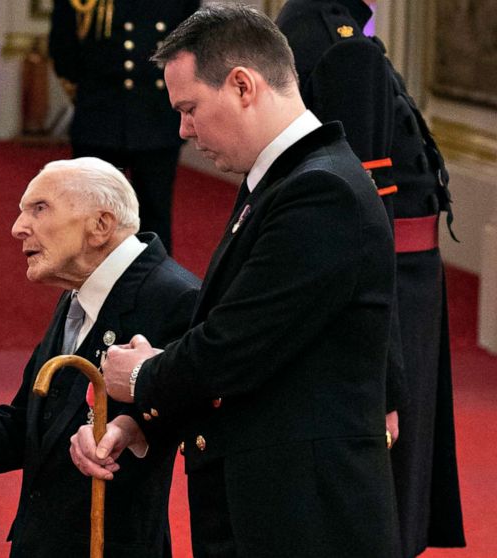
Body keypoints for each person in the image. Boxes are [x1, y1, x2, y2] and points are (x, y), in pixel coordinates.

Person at [70, 5, 402, 556]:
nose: (182, 129)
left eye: (190, 108)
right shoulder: (284, 178)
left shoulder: (322, 191)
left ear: (243, 85)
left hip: (307, 517)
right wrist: (144, 421)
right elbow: (248, 332)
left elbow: (238, 345)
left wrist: (146, 376)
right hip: (274, 500)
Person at [0, 157, 200, 557]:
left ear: (100, 225)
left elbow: (191, 418)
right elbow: (25, 430)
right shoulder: (79, 293)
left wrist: (130, 426)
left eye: (39, 209)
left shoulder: (175, 297)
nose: (18, 227)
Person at [275, 2, 465, 555]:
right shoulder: (325, 33)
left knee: (410, 455)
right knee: (391, 457)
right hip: (390, 277)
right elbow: (358, 194)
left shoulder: (339, 23)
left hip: (412, 276)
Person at [48, 0, 200, 252]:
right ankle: (93, 288)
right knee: (93, 218)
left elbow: (191, 47)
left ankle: (155, 289)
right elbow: (63, 49)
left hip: (156, 119)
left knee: (154, 217)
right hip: (99, 118)